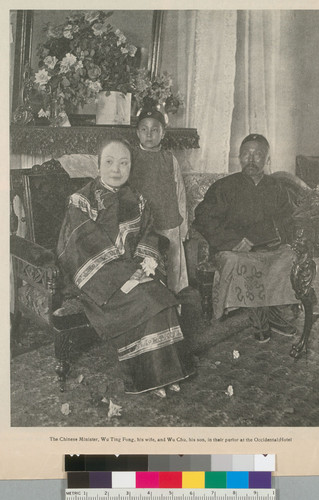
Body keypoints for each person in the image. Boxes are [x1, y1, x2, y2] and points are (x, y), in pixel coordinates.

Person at [57, 138, 194, 398]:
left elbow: (148, 235)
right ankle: (148, 377)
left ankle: (168, 373)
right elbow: (80, 246)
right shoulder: (81, 201)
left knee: (161, 296)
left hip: (135, 272)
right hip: (98, 282)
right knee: (146, 300)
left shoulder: (137, 199)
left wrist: (146, 266)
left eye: (123, 163)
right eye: (109, 162)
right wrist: (125, 274)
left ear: (131, 166)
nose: (116, 169)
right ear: (98, 166)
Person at [193, 133, 298, 343]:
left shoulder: (277, 188)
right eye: (246, 154)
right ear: (239, 157)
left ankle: (269, 310)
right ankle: (261, 314)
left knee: (290, 256)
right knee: (237, 260)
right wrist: (233, 240)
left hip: (268, 247)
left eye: (258, 154)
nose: (251, 159)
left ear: (267, 159)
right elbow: (202, 217)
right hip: (234, 248)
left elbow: (289, 220)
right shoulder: (224, 187)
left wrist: (260, 237)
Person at [129, 107, 188, 294]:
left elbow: (180, 193)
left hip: (168, 222)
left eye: (155, 130)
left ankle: (175, 306)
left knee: (172, 267)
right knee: (144, 269)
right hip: (142, 226)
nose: (149, 134)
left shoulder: (169, 159)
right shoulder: (131, 157)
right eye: (144, 129)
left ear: (162, 134)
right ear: (137, 133)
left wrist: (184, 225)